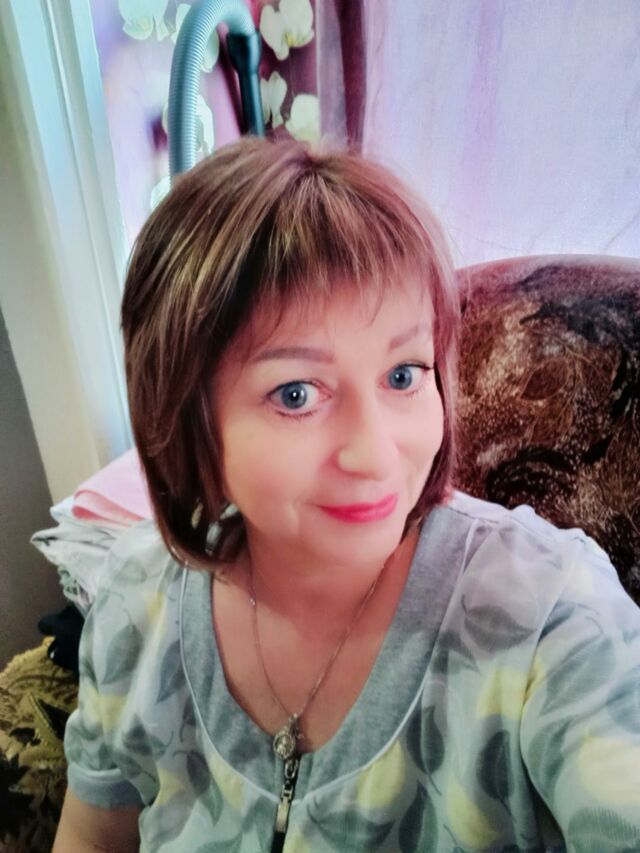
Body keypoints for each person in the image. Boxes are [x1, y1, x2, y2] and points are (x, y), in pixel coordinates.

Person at [53, 136, 640, 853]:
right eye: (297, 393)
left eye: (403, 375)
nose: (375, 453)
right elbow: (91, 836)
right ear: (187, 416)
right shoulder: (136, 603)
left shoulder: (546, 612)